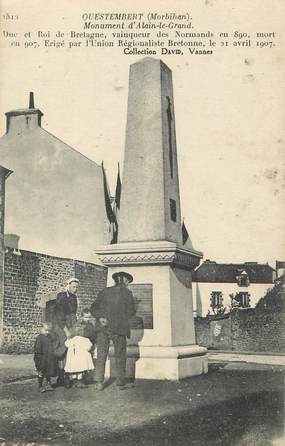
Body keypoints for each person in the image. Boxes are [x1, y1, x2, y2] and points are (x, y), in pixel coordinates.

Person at [91, 271, 136, 391]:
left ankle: (99, 382)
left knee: (101, 354)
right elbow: (131, 312)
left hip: (103, 328)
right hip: (119, 329)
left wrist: (101, 318)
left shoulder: (104, 291)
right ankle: (120, 383)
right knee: (120, 355)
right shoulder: (127, 293)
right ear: (124, 280)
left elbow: (93, 308)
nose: (127, 283)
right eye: (127, 281)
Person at [64, 323, 94, 388]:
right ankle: (79, 381)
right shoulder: (85, 340)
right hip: (82, 359)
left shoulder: (71, 340)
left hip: (73, 358)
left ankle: (75, 381)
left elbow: (66, 344)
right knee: (80, 370)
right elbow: (89, 347)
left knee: (75, 370)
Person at [34, 322, 58, 393]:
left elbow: (54, 338)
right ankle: (40, 385)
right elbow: (37, 350)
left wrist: (51, 333)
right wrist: (38, 360)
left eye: (48, 330)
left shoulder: (49, 337)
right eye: (45, 330)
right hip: (41, 359)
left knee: (48, 372)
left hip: (48, 358)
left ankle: (48, 384)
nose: (47, 332)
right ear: (40, 329)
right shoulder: (39, 338)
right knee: (41, 372)